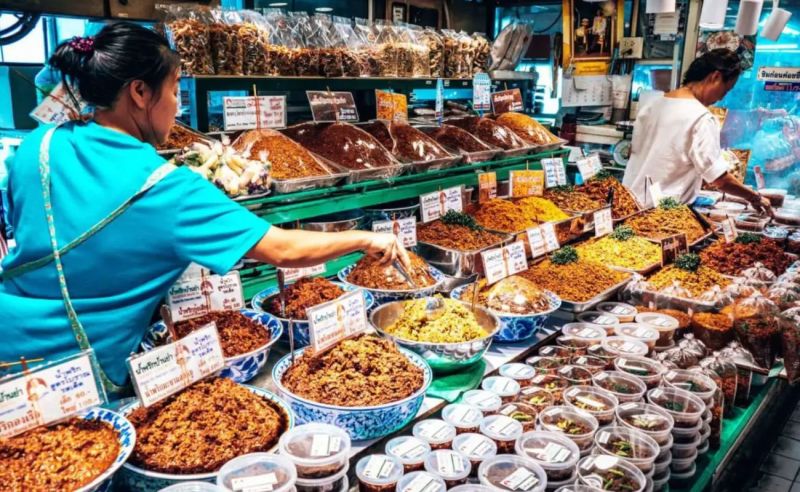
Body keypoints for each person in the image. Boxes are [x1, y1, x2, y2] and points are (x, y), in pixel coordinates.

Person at [0, 23, 411, 395]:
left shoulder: (38, 146)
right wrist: (364, 237)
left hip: (11, 344)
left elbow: (33, 232)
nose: (178, 106)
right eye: (176, 88)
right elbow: (282, 249)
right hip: (81, 371)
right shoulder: (166, 187)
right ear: (140, 92)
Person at [623, 48, 772, 214]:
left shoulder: (651, 105)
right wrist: (755, 197)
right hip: (660, 215)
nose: (722, 97)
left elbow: (634, 153)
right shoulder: (701, 118)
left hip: (627, 205)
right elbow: (719, 180)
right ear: (715, 77)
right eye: (726, 90)